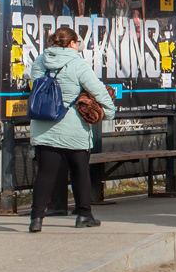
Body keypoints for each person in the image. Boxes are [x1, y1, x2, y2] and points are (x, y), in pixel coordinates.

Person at [28, 25, 115, 233]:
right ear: (73, 43)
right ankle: (84, 215)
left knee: (45, 174)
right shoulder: (78, 64)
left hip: (43, 127)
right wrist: (110, 112)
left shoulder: (40, 61)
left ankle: (36, 218)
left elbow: (35, 85)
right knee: (79, 172)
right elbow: (98, 90)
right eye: (77, 43)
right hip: (72, 127)